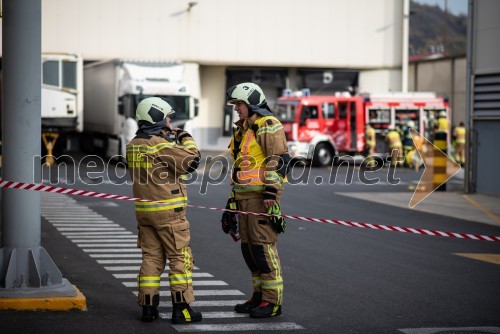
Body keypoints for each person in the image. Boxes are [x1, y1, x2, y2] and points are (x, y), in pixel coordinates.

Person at [126, 97, 202, 324]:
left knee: (151, 258)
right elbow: (192, 161)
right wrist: (184, 137)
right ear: (158, 117)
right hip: (169, 213)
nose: (170, 120)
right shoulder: (160, 144)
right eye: (167, 116)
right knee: (180, 258)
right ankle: (182, 309)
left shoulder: (132, 145)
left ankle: (148, 308)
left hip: (144, 212)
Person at [222, 82, 290, 318]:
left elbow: (279, 159)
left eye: (239, 104)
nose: (236, 108)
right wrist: (230, 205)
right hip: (243, 199)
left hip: (262, 199)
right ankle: (259, 297)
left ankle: (273, 303)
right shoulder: (243, 129)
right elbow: (241, 170)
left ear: (250, 103)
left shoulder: (268, 125)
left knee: (263, 250)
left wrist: (272, 192)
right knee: (249, 251)